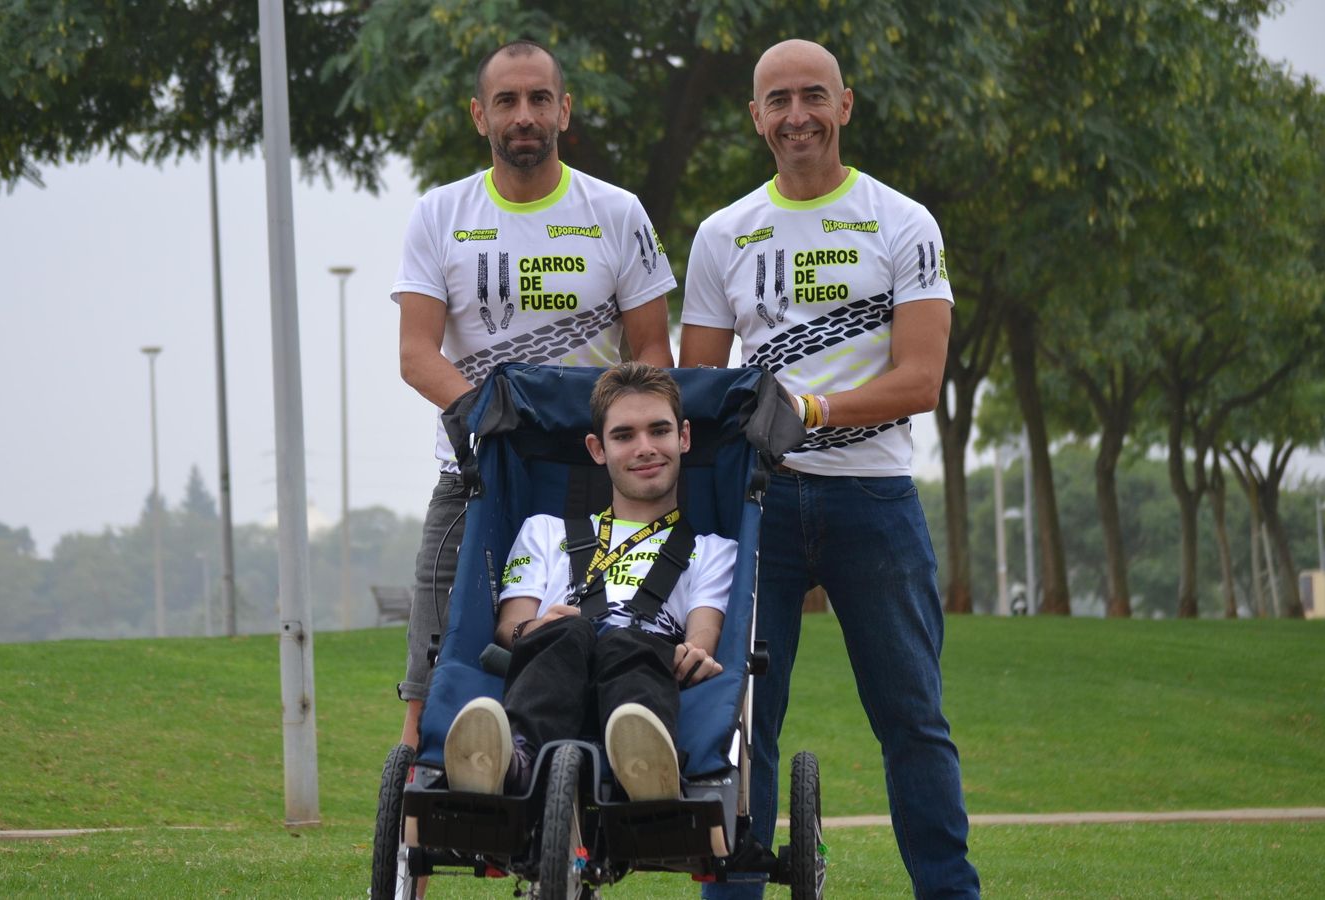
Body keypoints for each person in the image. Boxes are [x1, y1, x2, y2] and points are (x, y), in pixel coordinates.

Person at [678, 40, 980, 899]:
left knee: (913, 719)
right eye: (778, 100)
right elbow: (699, 393)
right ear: (755, 117)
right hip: (757, 507)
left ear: (845, 105)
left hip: (874, 502)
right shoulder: (722, 234)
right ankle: (731, 890)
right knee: (740, 720)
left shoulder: (902, 221)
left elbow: (921, 380)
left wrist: (810, 410)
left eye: (814, 95)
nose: (797, 114)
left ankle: (949, 892)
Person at [392, 40, 676, 749]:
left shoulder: (617, 212)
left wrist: (633, 441)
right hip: (477, 478)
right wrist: (491, 415)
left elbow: (652, 353)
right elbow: (415, 353)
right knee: (431, 675)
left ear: (564, 109)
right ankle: (414, 850)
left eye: (539, 99)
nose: (525, 115)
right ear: (479, 115)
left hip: (595, 477)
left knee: (617, 640)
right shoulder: (439, 214)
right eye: (507, 101)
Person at [443, 363, 734, 801]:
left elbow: (702, 638)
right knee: (569, 630)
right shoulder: (544, 530)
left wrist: (695, 657)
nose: (645, 448)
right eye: (624, 436)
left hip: (645, 664)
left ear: (684, 438)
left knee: (626, 641)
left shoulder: (713, 550)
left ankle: (645, 764)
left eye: (659, 431)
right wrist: (534, 629)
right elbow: (510, 627)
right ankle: (514, 762)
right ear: (598, 449)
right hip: (554, 658)